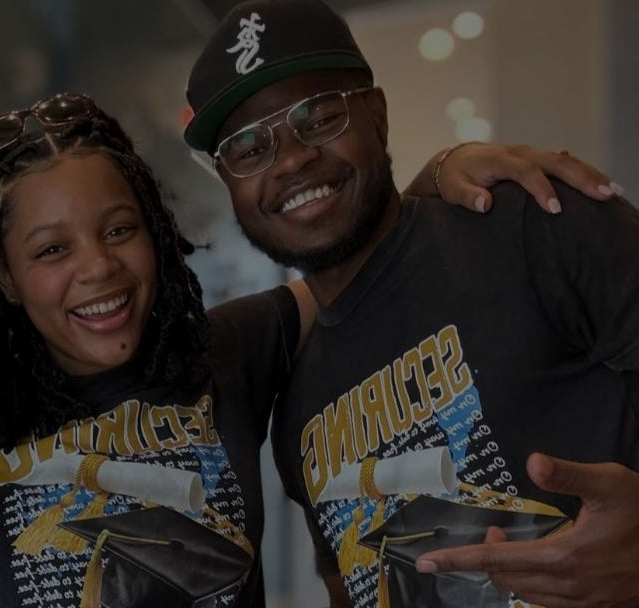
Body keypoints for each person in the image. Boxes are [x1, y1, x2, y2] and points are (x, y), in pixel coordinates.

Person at [0, 105, 620, 606]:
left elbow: (358, 267)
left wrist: (441, 174)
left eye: (120, 229)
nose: (96, 270)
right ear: (1, 276)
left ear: (159, 234)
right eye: (48, 249)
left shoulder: (233, 347)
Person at [183, 1, 639, 607]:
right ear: (229, 182)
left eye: (319, 117)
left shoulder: (536, 224)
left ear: (376, 113)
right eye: (248, 148)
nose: (292, 159)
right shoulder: (298, 412)